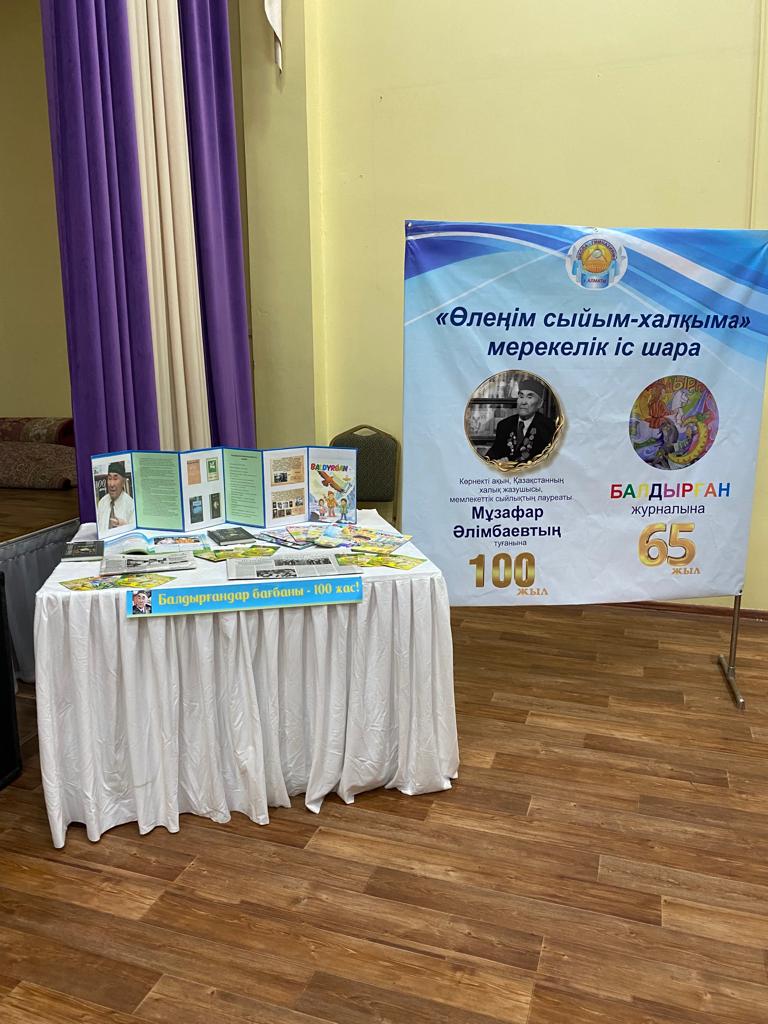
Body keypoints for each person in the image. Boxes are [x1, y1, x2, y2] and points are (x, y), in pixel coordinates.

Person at [485, 378, 556, 463]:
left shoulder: (548, 427)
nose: (523, 402)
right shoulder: (504, 425)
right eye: (521, 396)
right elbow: (493, 453)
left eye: (529, 397)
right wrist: (497, 461)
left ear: (540, 403)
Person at [96, 461, 135, 533]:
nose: (111, 484)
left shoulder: (131, 505)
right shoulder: (102, 502)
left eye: (115, 479)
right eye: (109, 478)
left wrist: (125, 527)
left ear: (123, 482)